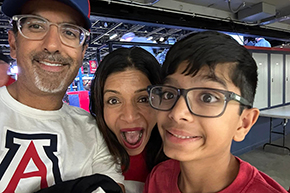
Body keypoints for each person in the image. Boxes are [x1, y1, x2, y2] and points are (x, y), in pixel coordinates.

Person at [0, 0, 124, 192]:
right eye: (36, 26)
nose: (51, 45)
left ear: (82, 52)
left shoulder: (93, 131)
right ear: (14, 43)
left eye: (69, 32)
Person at [144, 31, 288, 193]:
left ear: (243, 123)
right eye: (169, 94)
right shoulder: (159, 177)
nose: (177, 113)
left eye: (207, 98)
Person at [90, 47, 167, 193]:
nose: (130, 116)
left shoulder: (182, 159)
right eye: (114, 101)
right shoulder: (85, 158)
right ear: (100, 107)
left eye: (143, 99)